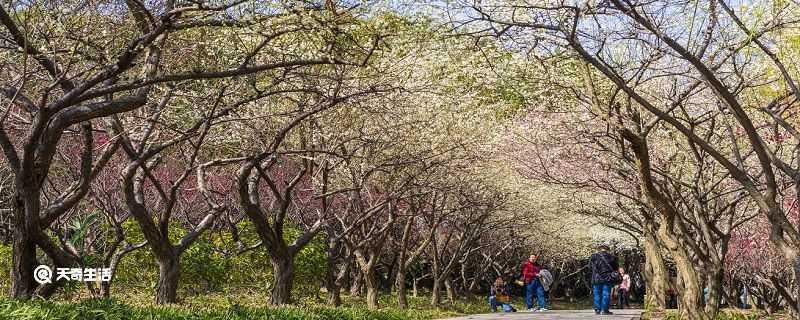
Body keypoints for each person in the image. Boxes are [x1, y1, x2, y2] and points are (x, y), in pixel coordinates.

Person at [591, 245, 619, 315]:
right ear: (608, 250)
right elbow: (615, 268)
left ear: (599, 250)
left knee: (597, 294)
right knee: (606, 294)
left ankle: (597, 309)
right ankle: (604, 310)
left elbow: (589, 267)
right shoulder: (612, 257)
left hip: (596, 278)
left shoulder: (593, 257)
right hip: (607, 278)